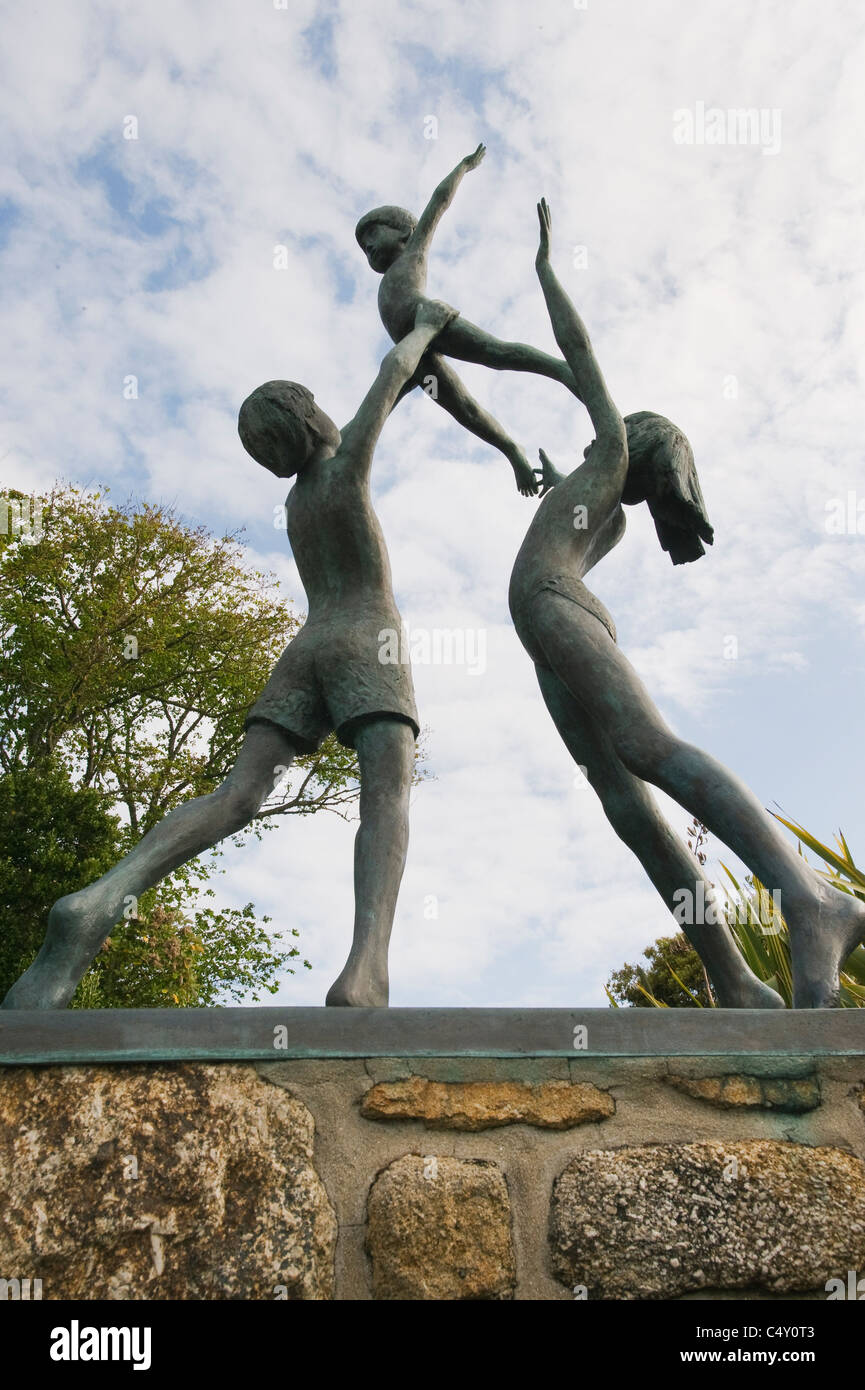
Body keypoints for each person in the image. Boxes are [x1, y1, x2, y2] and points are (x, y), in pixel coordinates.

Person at [2, 299, 459, 1010]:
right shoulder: (340, 471)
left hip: (305, 646)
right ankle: (365, 971)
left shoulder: (298, 505)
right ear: (310, 420)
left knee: (238, 795)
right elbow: (392, 376)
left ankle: (98, 900)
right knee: (386, 793)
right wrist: (427, 326)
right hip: (366, 635)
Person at [508, 200, 864, 1008]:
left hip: (555, 608)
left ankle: (808, 897)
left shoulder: (606, 462)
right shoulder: (604, 508)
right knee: (625, 802)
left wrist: (544, 270)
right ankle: (733, 978)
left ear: (628, 443)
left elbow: (578, 349)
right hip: (551, 623)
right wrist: (542, 477)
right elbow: (558, 520)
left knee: (646, 747)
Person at [356, 144, 579, 497]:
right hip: (415, 356)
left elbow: (438, 202)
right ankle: (513, 452)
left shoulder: (413, 253)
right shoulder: (384, 283)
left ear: (404, 234)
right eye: (363, 245)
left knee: (497, 353)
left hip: (431, 321)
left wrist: (464, 166)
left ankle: (563, 371)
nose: (367, 245)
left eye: (373, 234)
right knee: (466, 410)